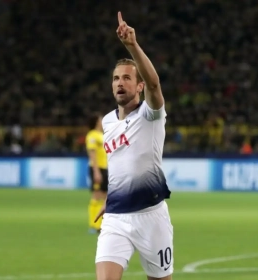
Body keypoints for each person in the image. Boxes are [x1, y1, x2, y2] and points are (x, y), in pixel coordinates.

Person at [94, 12, 173, 280]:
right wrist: (112, 197)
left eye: (127, 78)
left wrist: (132, 46)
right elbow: (119, 164)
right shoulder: (107, 122)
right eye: (116, 78)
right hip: (116, 217)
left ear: (139, 86)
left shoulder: (150, 115)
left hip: (152, 218)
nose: (120, 83)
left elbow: (155, 83)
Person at [85, 113, 108, 234]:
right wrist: (96, 171)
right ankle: (93, 225)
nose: (102, 121)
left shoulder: (101, 135)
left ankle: (103, 224)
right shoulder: (92, 136)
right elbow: (92, 154)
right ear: (96, 122)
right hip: (97, 168)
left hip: (105, 168)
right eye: (100, 120)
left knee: (105, 196)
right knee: (97, 195)